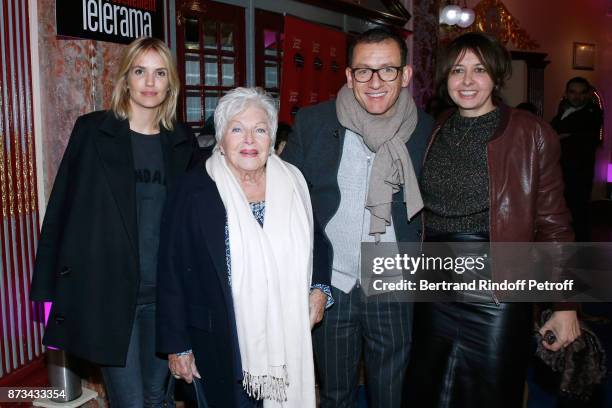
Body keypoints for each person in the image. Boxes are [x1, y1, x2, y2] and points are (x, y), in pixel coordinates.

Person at [410, 32, 581, 407]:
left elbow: (554, 225)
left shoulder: (531, 132)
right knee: (427, 390)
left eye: (479, 70)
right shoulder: (433, 130)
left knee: (489, 393)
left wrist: (565, 304)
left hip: (497, 289)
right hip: (434, 284)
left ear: (497, 76)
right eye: (458, 70)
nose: (467, 81)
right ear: (445, 77)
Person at [29, 37, 197, 406]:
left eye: (159, 73)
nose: (150, 83)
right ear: (126, 78)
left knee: (158, 397)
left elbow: (196, 222)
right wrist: (45, 291)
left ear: (171, 83)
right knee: (130, 402)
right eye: (140, 72)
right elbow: (61, 210)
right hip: (110, 296)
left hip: (166, 298)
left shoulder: (182, 142)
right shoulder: (92, 132)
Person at [282, 27, 434, 407]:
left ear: (406, 75)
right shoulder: (314, 124)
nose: (375, 82)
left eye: (387, 70)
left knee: (391, 394)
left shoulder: (428, 132)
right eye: (364, 71)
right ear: (349, 76)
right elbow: (286, 202)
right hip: (332, 284)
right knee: (335, 394)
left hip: (394, 280)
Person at [156, 87, 324, 407]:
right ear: (221, 139)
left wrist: (319, 289)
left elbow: (319, 242)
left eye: (259, 130)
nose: (249, 139)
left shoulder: (294, 183)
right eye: (237, 129)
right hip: (219, 337)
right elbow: (171, 269)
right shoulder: (193, 189)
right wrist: (177, 346)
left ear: (271, 140)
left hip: (288, 334)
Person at [551, 77, 603, 241]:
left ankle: (581, 252)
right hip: (562, 171)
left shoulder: (593, 112)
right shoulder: (563, 109)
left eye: (581, 93)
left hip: (579, 172)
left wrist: (563, 136)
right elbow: (553, 131)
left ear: (587, 94)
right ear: (567, 93)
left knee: (579, 213)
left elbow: (585, 139)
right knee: (566, 212)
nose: (577, 97)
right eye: (573, 92)